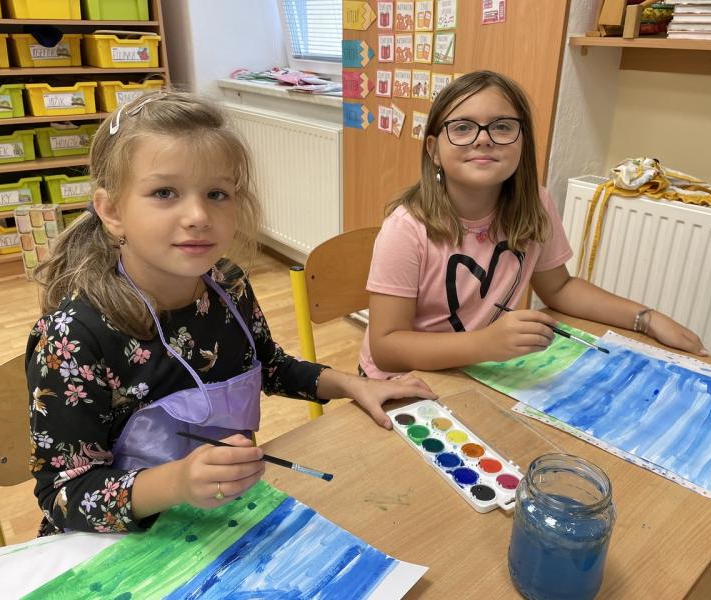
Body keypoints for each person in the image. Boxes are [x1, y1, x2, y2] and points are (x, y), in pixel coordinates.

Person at [26, 92, 435, 536]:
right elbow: (64, 494)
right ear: (112, 211)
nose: (199, 215)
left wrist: (352, 384)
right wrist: (177, 483)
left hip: (220, 522)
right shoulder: (73, 337)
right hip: (118, 545)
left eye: (217, 193)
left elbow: (268, 366)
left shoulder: (228, 285)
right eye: (164, 193)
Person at [360, 70, 706, 379]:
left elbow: (559, 288)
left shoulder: (535, 203)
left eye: (502, 127)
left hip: (478, 371)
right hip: (400, 382)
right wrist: (485, 343)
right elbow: (387, 348)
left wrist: (646, 319)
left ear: (522, 143)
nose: (483, 138)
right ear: (434, 150)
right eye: (462, 127)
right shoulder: (406, 228)